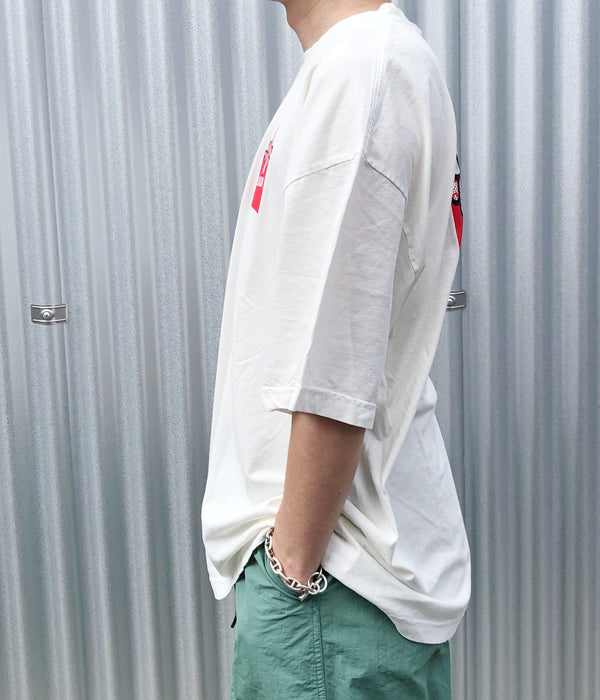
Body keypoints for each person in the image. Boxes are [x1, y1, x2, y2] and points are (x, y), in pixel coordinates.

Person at [201, 1, 471, 697]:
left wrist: (291, 570)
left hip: (330, 591)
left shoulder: (362, 71)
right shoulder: (355, 67)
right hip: (332, 590)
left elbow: (335, 367)